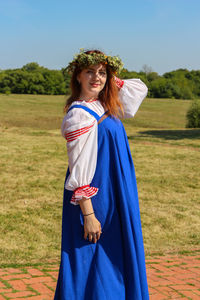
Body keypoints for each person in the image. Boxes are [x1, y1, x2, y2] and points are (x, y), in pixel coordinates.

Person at [54, 49, 149, 299]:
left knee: (115, 260)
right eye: (90, 72)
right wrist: (89, 214)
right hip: (98, 199)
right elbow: (79, 170)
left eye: (102, 73)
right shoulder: (79, 115)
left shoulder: (106, 104)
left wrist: (111, 77)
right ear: (77, 77)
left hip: (118, 192)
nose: (97, 78)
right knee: (94, 263)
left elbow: (138, 91)